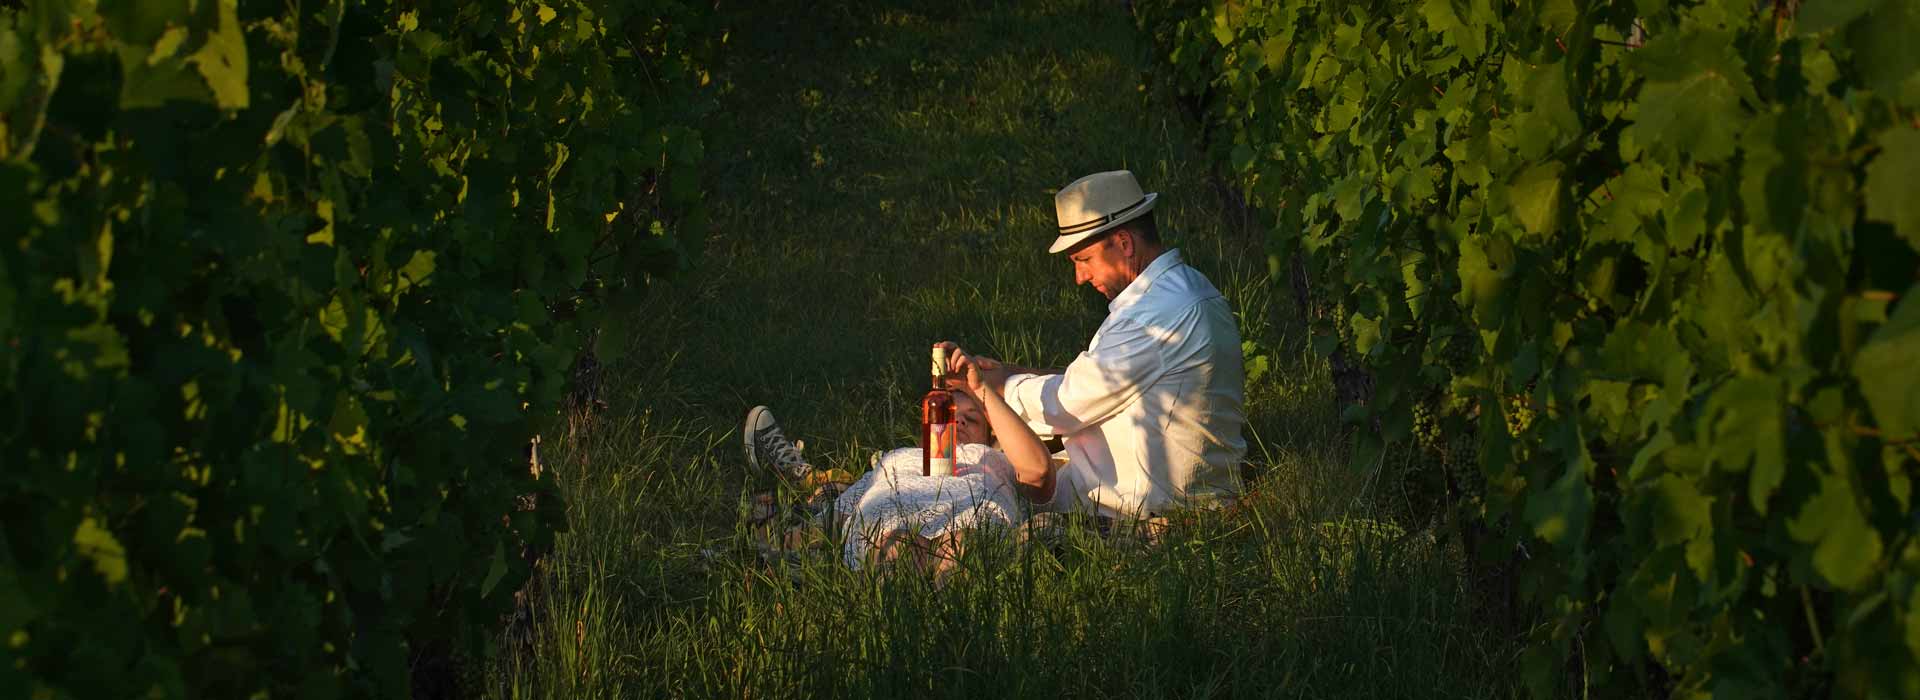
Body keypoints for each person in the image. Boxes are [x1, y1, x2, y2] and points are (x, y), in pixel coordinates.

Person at [938, 169, 1247, 519]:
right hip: (1181, 486)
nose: (1080, 277)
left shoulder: (1150, 318)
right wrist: (1013, 372)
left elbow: (1065, 406)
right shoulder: (1191, 289)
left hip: (1145, 502)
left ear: (1124, 243)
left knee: (989, 486)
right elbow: (1098, 380)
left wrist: (997, 387)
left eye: (1084, 260)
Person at [743, 361, 1054, 577]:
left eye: (971, 418)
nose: (957, 420)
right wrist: (785, 541)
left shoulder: (997, 459)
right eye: (950, 413)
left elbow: (1038, 472)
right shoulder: (897, 458)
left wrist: (984, 390)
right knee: (897, 547)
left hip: (971, 528)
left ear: (991, 433)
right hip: (889, 531)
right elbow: (839, 515)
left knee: (962, 547)